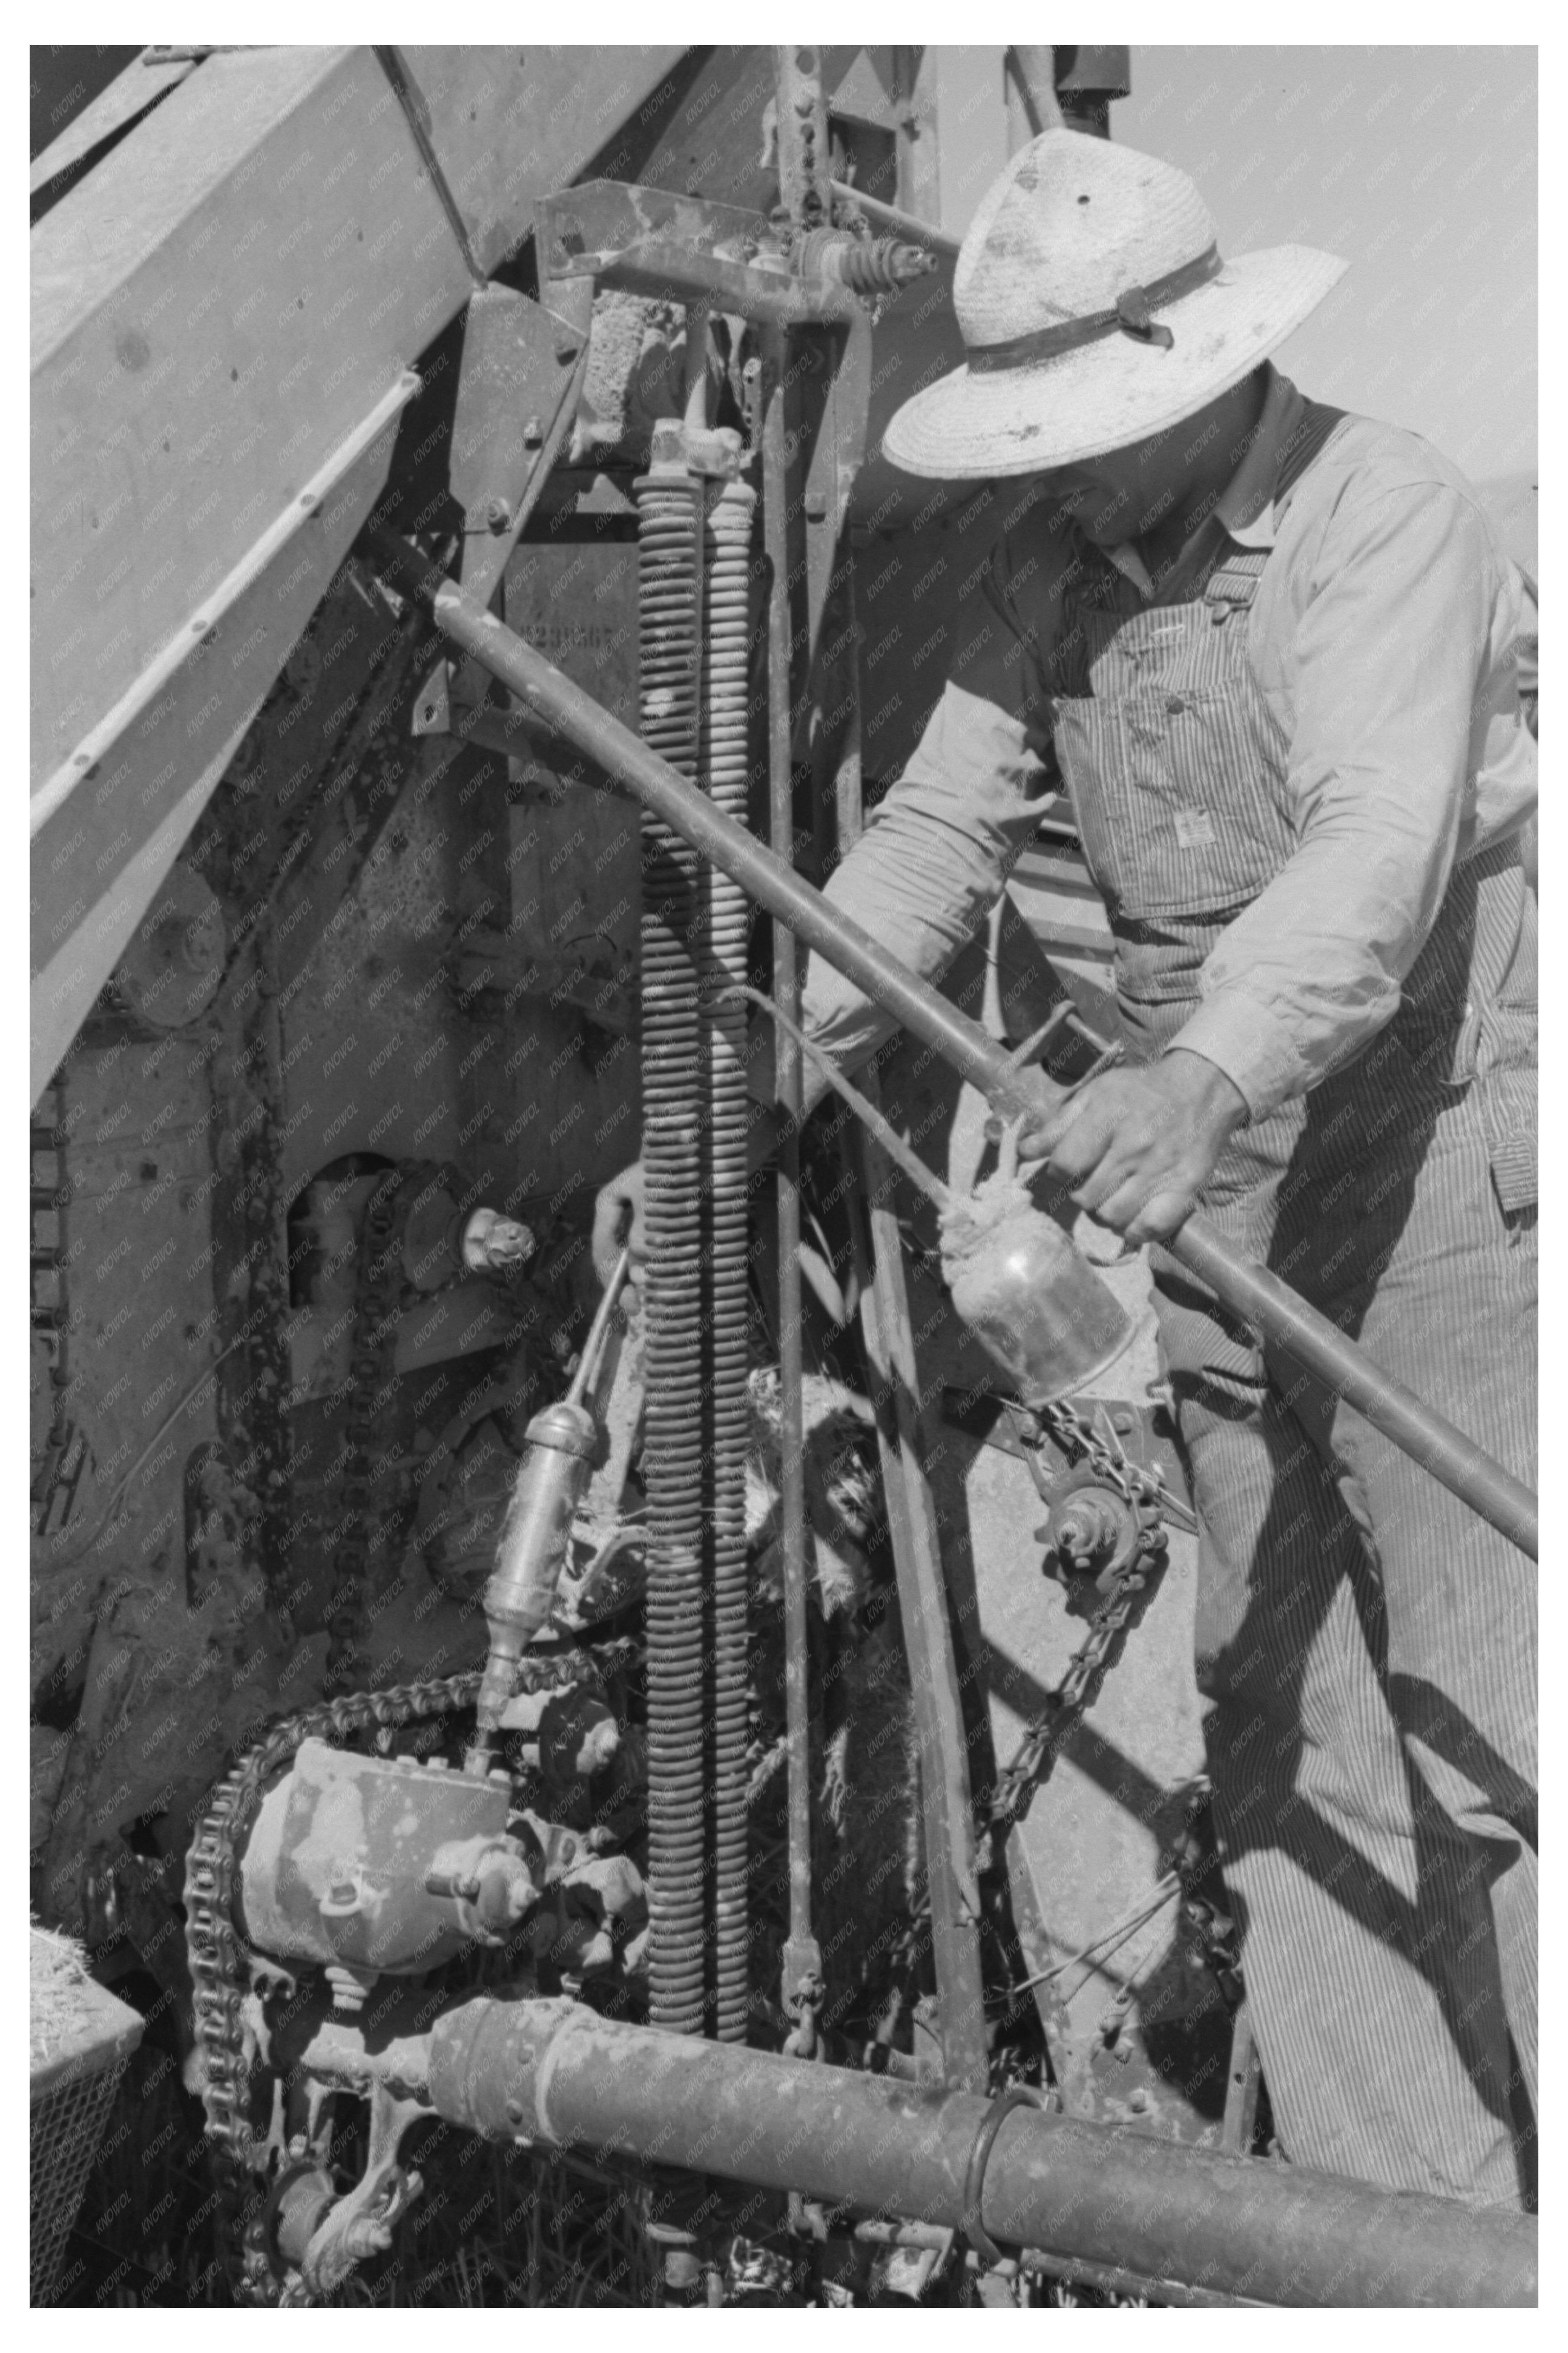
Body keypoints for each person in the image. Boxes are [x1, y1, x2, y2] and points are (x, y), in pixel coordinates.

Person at [595, 130, 1537, 2207]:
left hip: (1421, 1178)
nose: (1063, 469)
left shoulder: (1382, 513)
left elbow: (1377, 856)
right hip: (1202, 1205)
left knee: (1494, 1738)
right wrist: (758, 1063)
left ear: (1212, 365)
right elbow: (933, 842)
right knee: (1286, 1734)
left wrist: (1197, 1076)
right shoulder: (1042, 565)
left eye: (1090, 430)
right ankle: (1411, 2242)